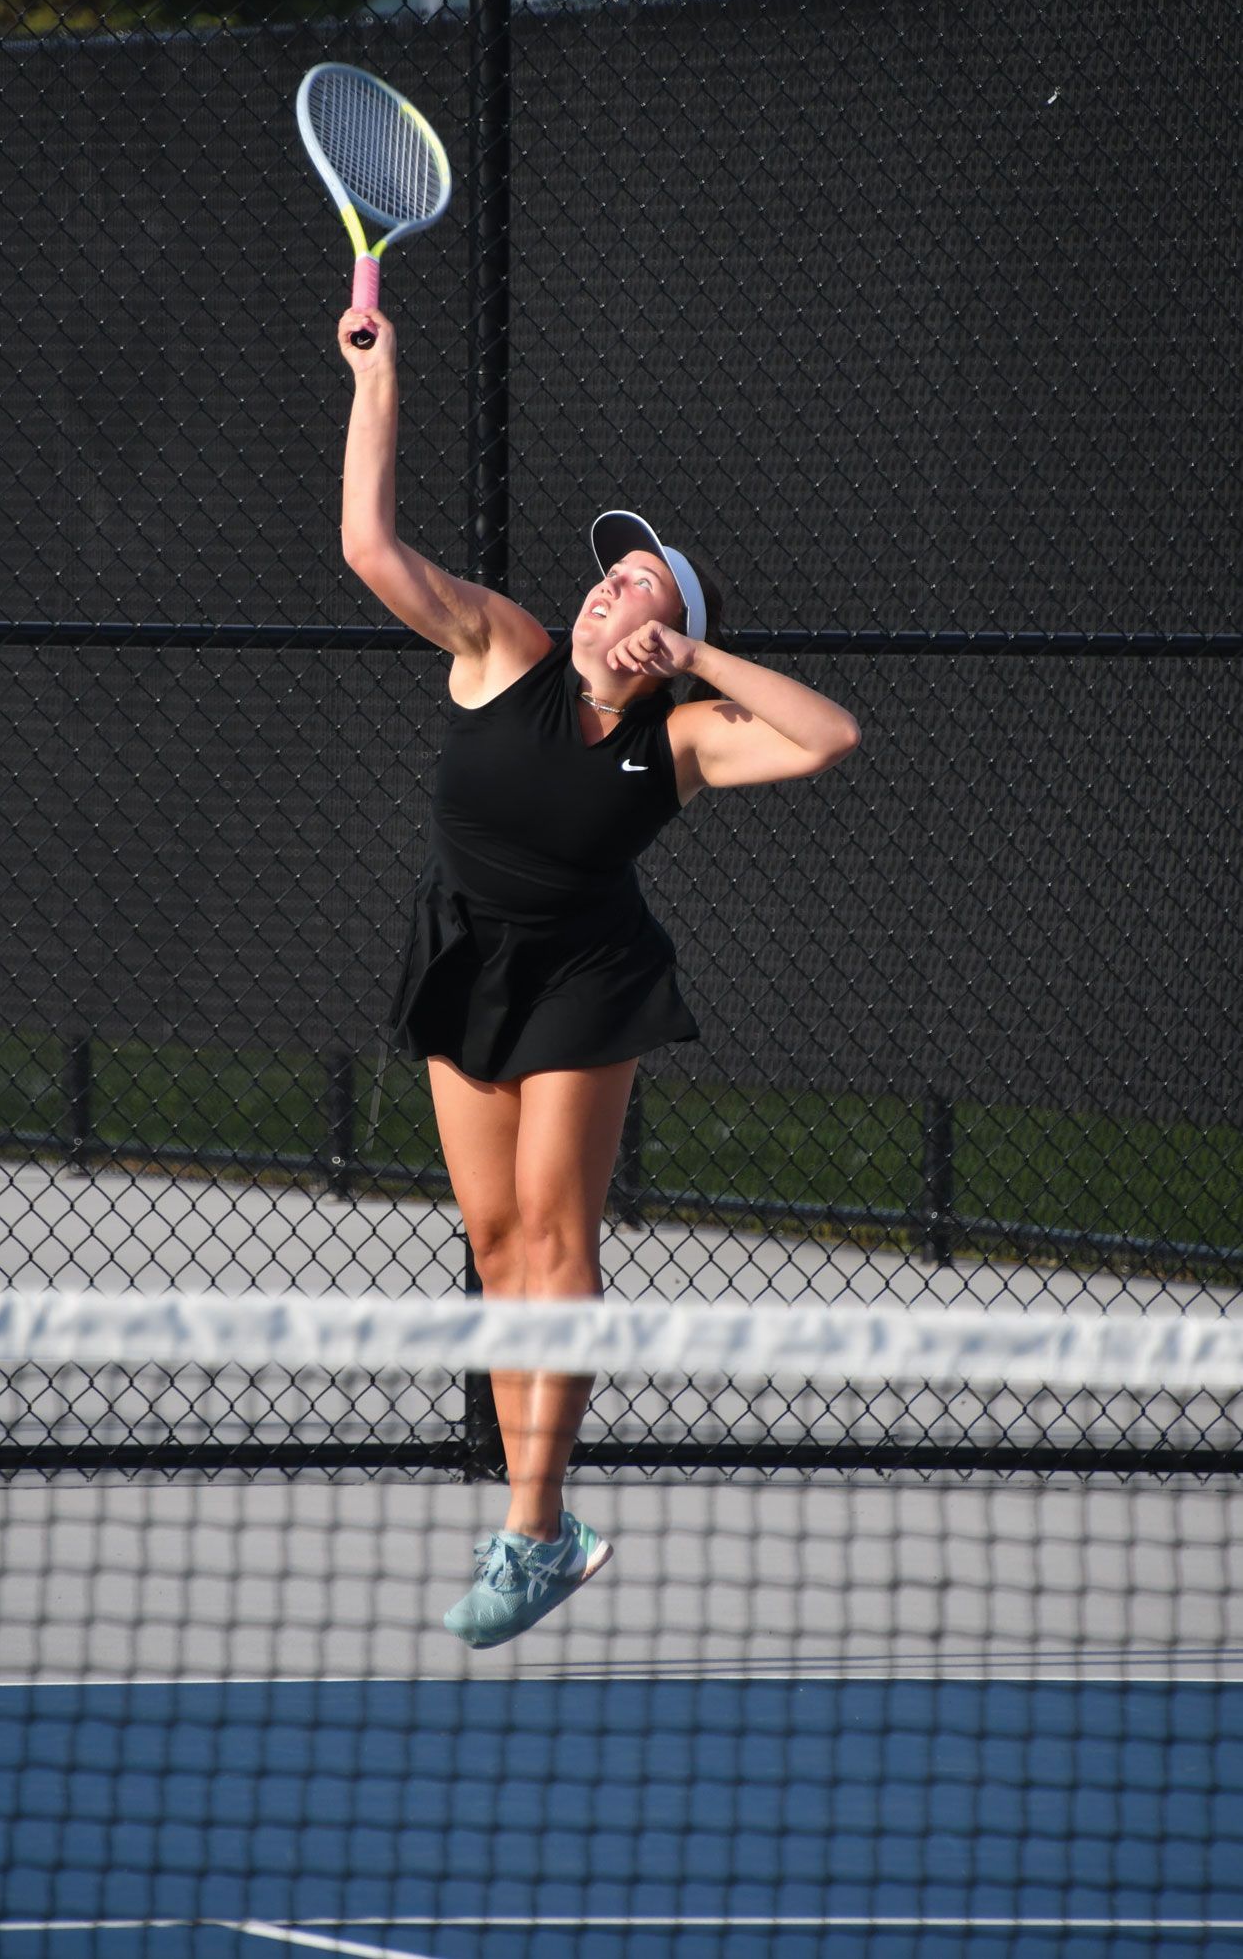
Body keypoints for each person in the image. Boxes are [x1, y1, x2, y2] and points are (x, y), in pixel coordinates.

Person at [338, 306, 860, 1650]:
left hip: (588, 974)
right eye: (606, 574)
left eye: (634, 584)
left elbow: (826, 735)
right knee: (497, 1245)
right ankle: (550, 1529)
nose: (603, 586)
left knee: (557, 1240)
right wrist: (380, 374)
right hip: (466, 953)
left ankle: (529, 1523)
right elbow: (369, 547)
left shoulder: (683, 736)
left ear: (669, 626)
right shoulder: (500, 645)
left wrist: (699, 659)